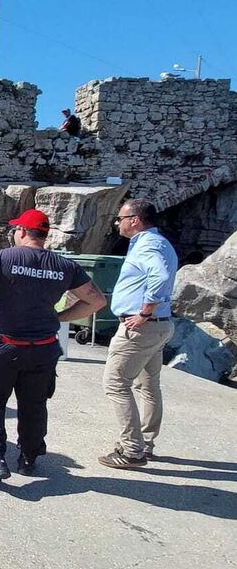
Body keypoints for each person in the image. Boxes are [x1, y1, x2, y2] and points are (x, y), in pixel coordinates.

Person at [0, 209, 107, 485]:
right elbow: (97, 301)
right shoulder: (64, 265)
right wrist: (60, 317)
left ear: (22, 232)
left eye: (16, 229)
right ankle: (28, 457)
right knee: (34, 404)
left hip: (1, 346)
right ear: (44, 235)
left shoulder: (2, 258)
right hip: (42, 348)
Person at [98, 199, 178, 469]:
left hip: (141, 328)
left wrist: (144, 312)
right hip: (158, 325)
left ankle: (132, 450)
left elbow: (160, 276)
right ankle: (146, 443)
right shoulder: (158, 243)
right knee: (148, 385)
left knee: (116, 383)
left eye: (120, 218)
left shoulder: (148, 245)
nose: (117, 223)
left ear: (135, 220)